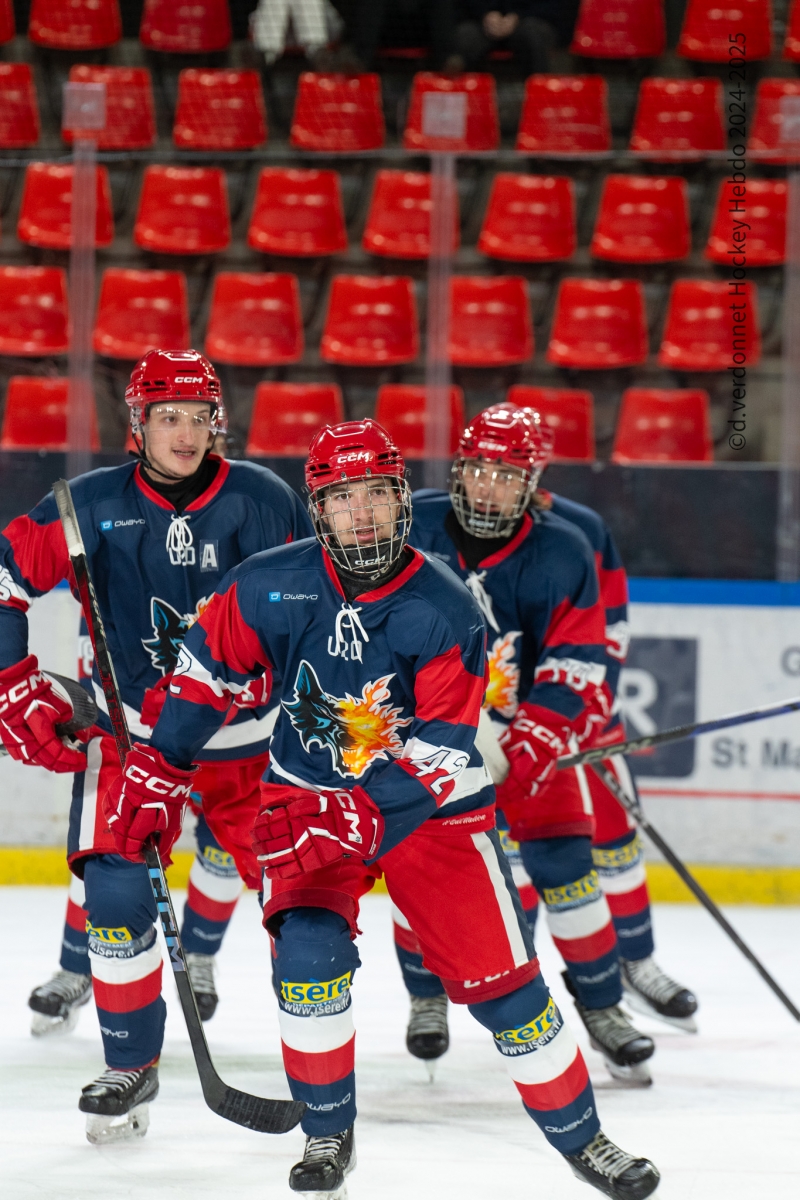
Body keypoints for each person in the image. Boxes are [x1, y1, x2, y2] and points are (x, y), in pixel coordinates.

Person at [106, 418, 661, 1199]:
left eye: (375, 494)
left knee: (510, 994)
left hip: (437, 817)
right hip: (309, 801)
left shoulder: (444, 606)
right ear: (318, 508)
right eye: (341, 498)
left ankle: (585, 1139)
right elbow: (206, 679)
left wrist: (358, 816)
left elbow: (439, 751)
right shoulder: (265, 582)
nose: (360, 513)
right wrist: (159, 769)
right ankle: (329, 1130)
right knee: (306, 961)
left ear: (401, 501)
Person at [0, 349, 312, 1144]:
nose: (184, 432)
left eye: (197, 416)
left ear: (219, 421)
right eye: (166, 417)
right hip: (133, 738)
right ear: (137, 425)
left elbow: (323, 600)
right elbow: (4, 578)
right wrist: (10, 681)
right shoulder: (85, 503)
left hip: (255, 746)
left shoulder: (265, 499)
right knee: (112, 893)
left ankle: (325, 1084)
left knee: (306, 911)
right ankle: (131, 1062)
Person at [395, 404, 667, 1087]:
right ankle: (427, 995)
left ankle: (604, 1009)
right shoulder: (414, 526)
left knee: (569, 870)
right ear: (459, 469)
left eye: (507, 475)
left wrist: (535, 741)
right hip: (431, 739)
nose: (490, 487)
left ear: (533, 481)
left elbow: (580, 658)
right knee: (422, 872)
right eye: (480, 470)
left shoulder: (564, 548)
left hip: (526, 741)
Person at [454, 0, 580, 76]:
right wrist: (485, 14)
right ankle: (466, 110)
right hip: (481, 21)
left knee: (534, 35)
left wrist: (518, 16)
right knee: (464, 36)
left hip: (533, 17)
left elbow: (559, 6)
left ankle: (539, 106)